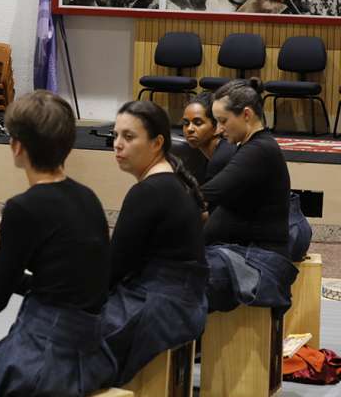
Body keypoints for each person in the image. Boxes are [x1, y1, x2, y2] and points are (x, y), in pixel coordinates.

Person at [0, 91, 115, 396]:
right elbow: (69, 285)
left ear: (17, 146)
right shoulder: (88, 198)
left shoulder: (24, 207)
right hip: (91, 346)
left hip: (47, 348)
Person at [104, 100, 208, 385]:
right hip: (183, 303)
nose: (117, 144)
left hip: (163, 308)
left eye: (128, 136)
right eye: (115, 135)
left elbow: (113, 270)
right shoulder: (172, 180)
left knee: (57, 341)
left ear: (156, 142)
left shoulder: (149, 192)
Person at [202, 79, 298, 312]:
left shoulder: (259, 150)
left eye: (223, 121)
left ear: (246, 114)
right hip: (246, 253)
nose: (219, 129)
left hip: (261, 263)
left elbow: (210, 192)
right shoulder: (247, 147)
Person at [181, 92, 235, 186]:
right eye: (186, 123)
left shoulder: (220, 160)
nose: (189, 129)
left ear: (218, 127)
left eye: (198, 123)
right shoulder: (209, 155)